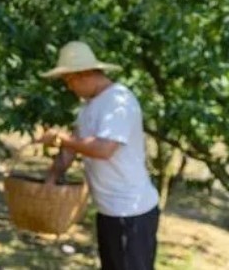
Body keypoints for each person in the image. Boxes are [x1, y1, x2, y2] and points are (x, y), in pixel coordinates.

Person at [38, 41, 160, 270]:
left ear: (83, 74)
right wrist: (52, 176)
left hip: (131, 213)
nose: (69, 87)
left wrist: (61, 138)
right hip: (108, 211)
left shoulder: (118, 101)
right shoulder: (87, 108)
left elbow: (104, 149)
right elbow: (71, 148)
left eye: (69, 80)